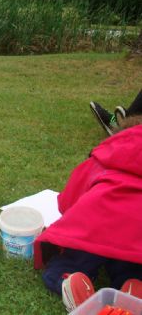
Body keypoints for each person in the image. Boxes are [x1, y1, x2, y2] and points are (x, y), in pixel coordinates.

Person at [33, 114, 142, 312]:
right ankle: (134, 286)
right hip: (135, 240)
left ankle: (68, 279)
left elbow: (67, 201)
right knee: (131, 264)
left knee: (70, 261)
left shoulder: (100, 159)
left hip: (92, 231)